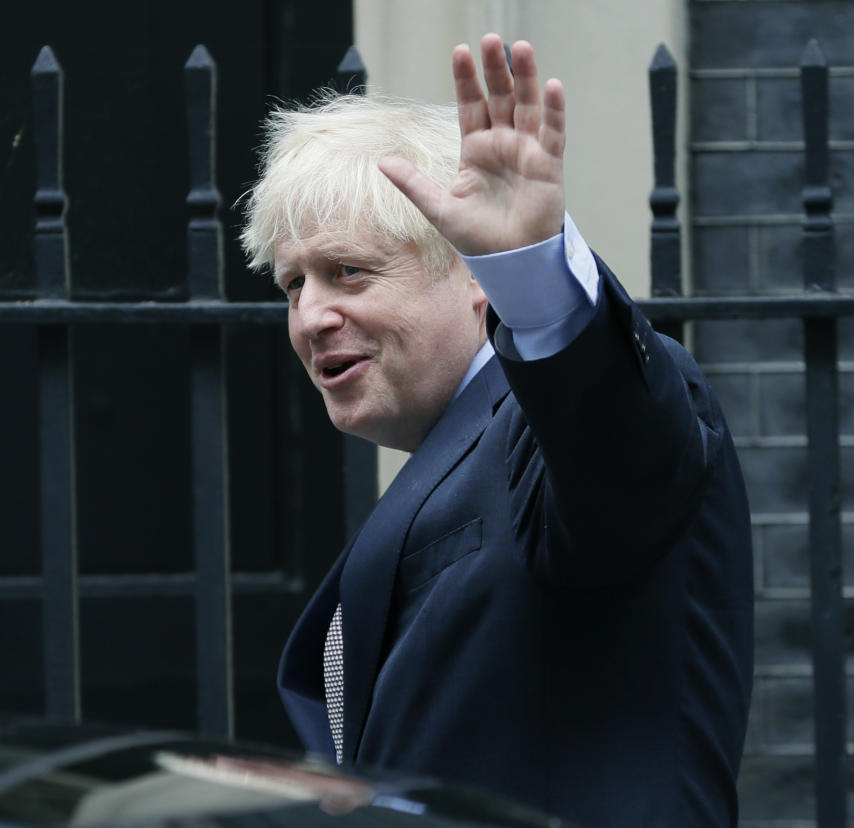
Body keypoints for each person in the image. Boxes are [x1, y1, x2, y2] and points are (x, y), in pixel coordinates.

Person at [239, 34, 754, 828]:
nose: (311, 316)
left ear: (477, 276)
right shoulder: (454, 448)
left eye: (349, 271)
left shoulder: (545, 430)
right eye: (292, 283)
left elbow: (615, 451)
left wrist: (533, 273)